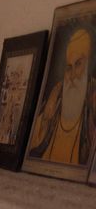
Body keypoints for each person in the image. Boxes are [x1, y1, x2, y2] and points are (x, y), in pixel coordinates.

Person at [28, 28, 96, 164]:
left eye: (78, 64)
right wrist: (45, 119)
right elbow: (33, 141)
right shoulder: (58, 91)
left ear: (88, 64)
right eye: (69, 67)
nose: (72, 76)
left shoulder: (94, 93)